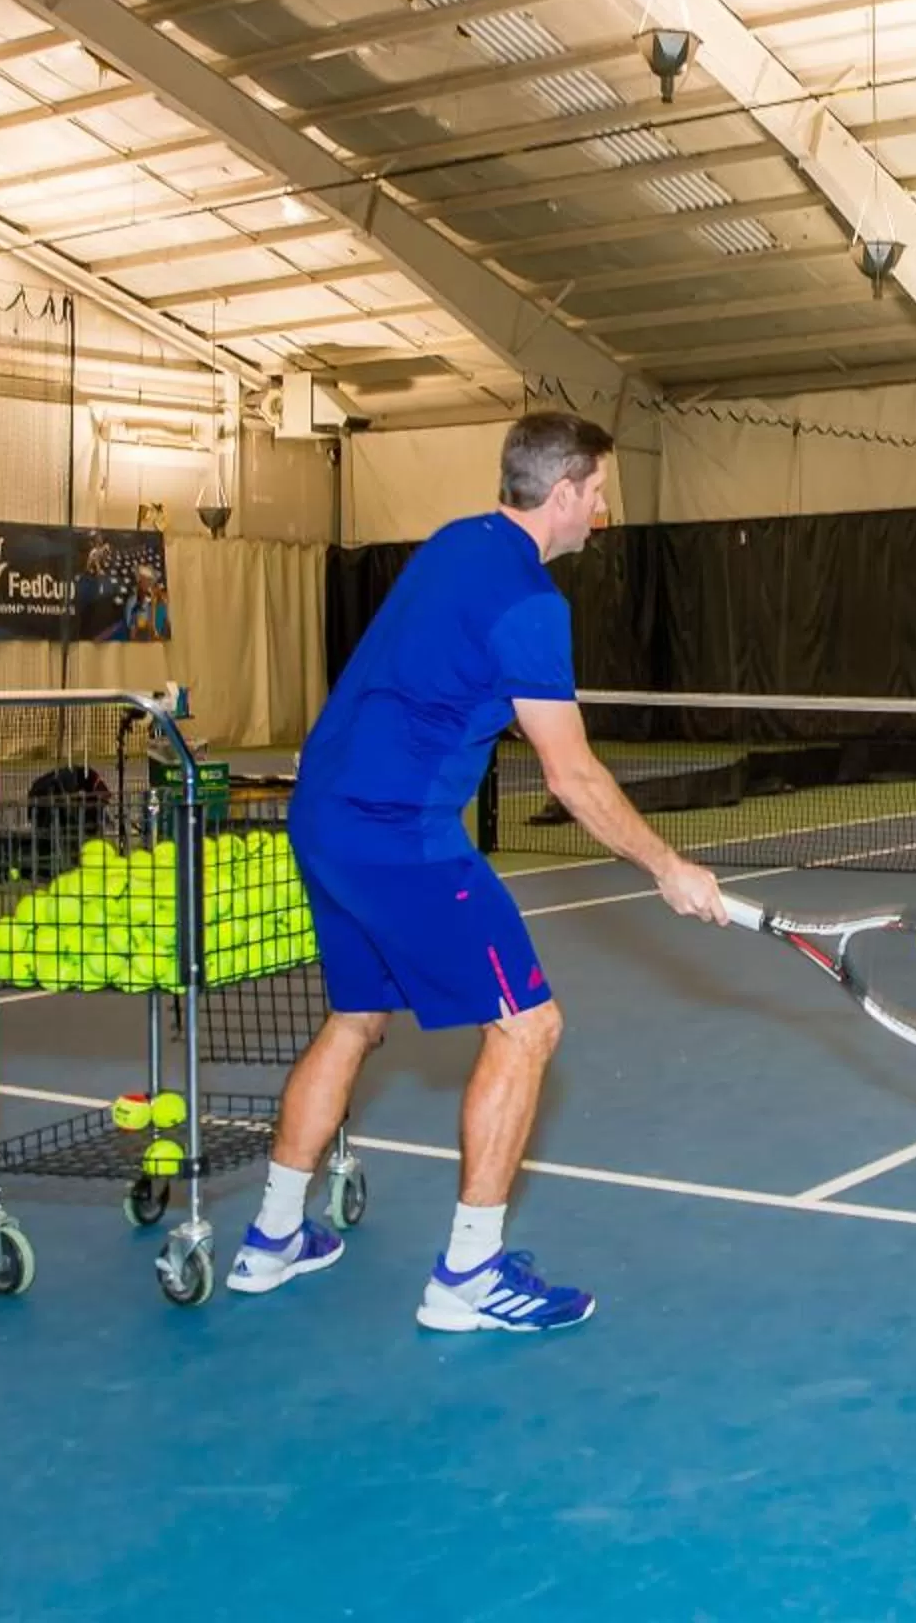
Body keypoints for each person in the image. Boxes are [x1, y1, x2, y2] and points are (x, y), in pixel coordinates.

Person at [228, 411, 729, 1331]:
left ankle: (272, 1237)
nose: (604, 512)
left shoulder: (456, 542)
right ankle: (469, 1275)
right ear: (565, 491)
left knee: (356, 1018)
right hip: (400, 834)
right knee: (528, 1027)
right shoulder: (531, 602)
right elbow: (571, 776)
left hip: (323, 815)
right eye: (599, 492)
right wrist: (668, 867)